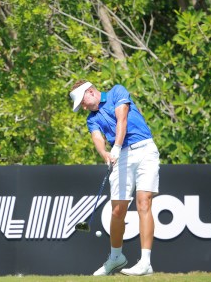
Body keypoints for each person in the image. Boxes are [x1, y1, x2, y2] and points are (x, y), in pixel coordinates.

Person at [69, 80, 160, 276]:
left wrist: (116, 147)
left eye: (82, 102)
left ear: (90, 92)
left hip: (144, 148)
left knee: (144, 202)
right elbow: (97, 137)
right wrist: (106, 154)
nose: (83, 107)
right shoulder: (91, 118)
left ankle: (145, 262)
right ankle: (116, 257)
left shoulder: (117, 92)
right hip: (121, 157)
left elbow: (122, 119)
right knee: (118, 210)